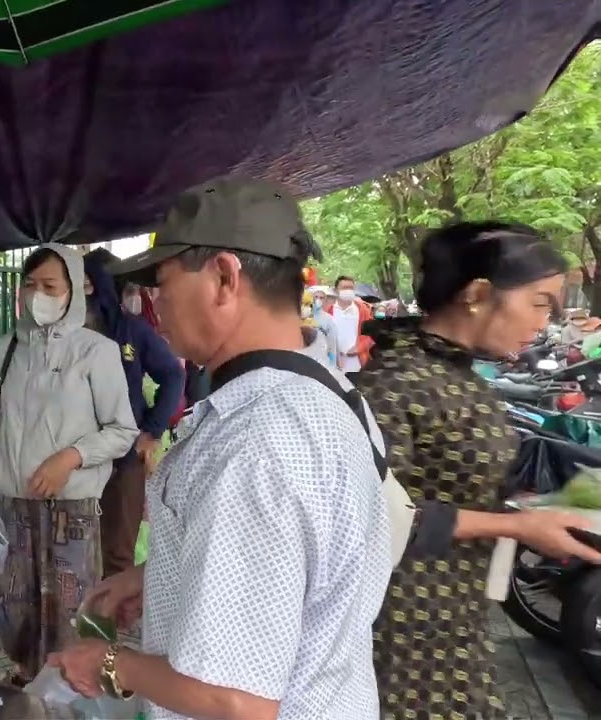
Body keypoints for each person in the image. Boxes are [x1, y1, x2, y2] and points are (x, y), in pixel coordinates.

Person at [51, 176, 393, 720]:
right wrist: (161, 576)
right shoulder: (334, 396)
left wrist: (111, 663)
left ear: (225, 277)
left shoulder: (254, 441)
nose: (154, 301)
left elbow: (235, 700)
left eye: (162, 280)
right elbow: (302, 566)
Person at [353, 221, 601, 719]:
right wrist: (514, 525)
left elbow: (455, 489)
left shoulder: (457, 373)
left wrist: (548, 510)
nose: (547, 320)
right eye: (540, 302)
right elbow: (369, 517)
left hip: (455, 614)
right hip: (405, 624)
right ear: (479, 293)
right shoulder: (395, 382)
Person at [0, 243, 138, 683]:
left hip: (69, 510)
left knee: (69, 610)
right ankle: (25, 678)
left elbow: (122, 430)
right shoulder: (8, 347)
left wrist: (70, 458)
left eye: (50, 286)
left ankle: (69, 691)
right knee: (13, 601)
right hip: (10, 502)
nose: (38, 295)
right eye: (29, 284)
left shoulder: (96, 351)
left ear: (74, 290)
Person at [82, 249, 185, 576]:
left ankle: (102, 624)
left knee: (117, 551)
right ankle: (74, 622)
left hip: (124, 460)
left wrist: (151, 431)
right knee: (73, 550)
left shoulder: (132, 331)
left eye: (89, 284)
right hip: (75, 458)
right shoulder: (67, 334)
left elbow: (173, 374)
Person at [329, 274, 374, 374]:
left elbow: (371, 335)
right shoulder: (328, 310)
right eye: (344, 288)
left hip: (357, 364)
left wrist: (359, 347)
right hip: (334, 365)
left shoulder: (363, 310)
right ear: (336, 290)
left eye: (351, 288)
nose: (348, 291)